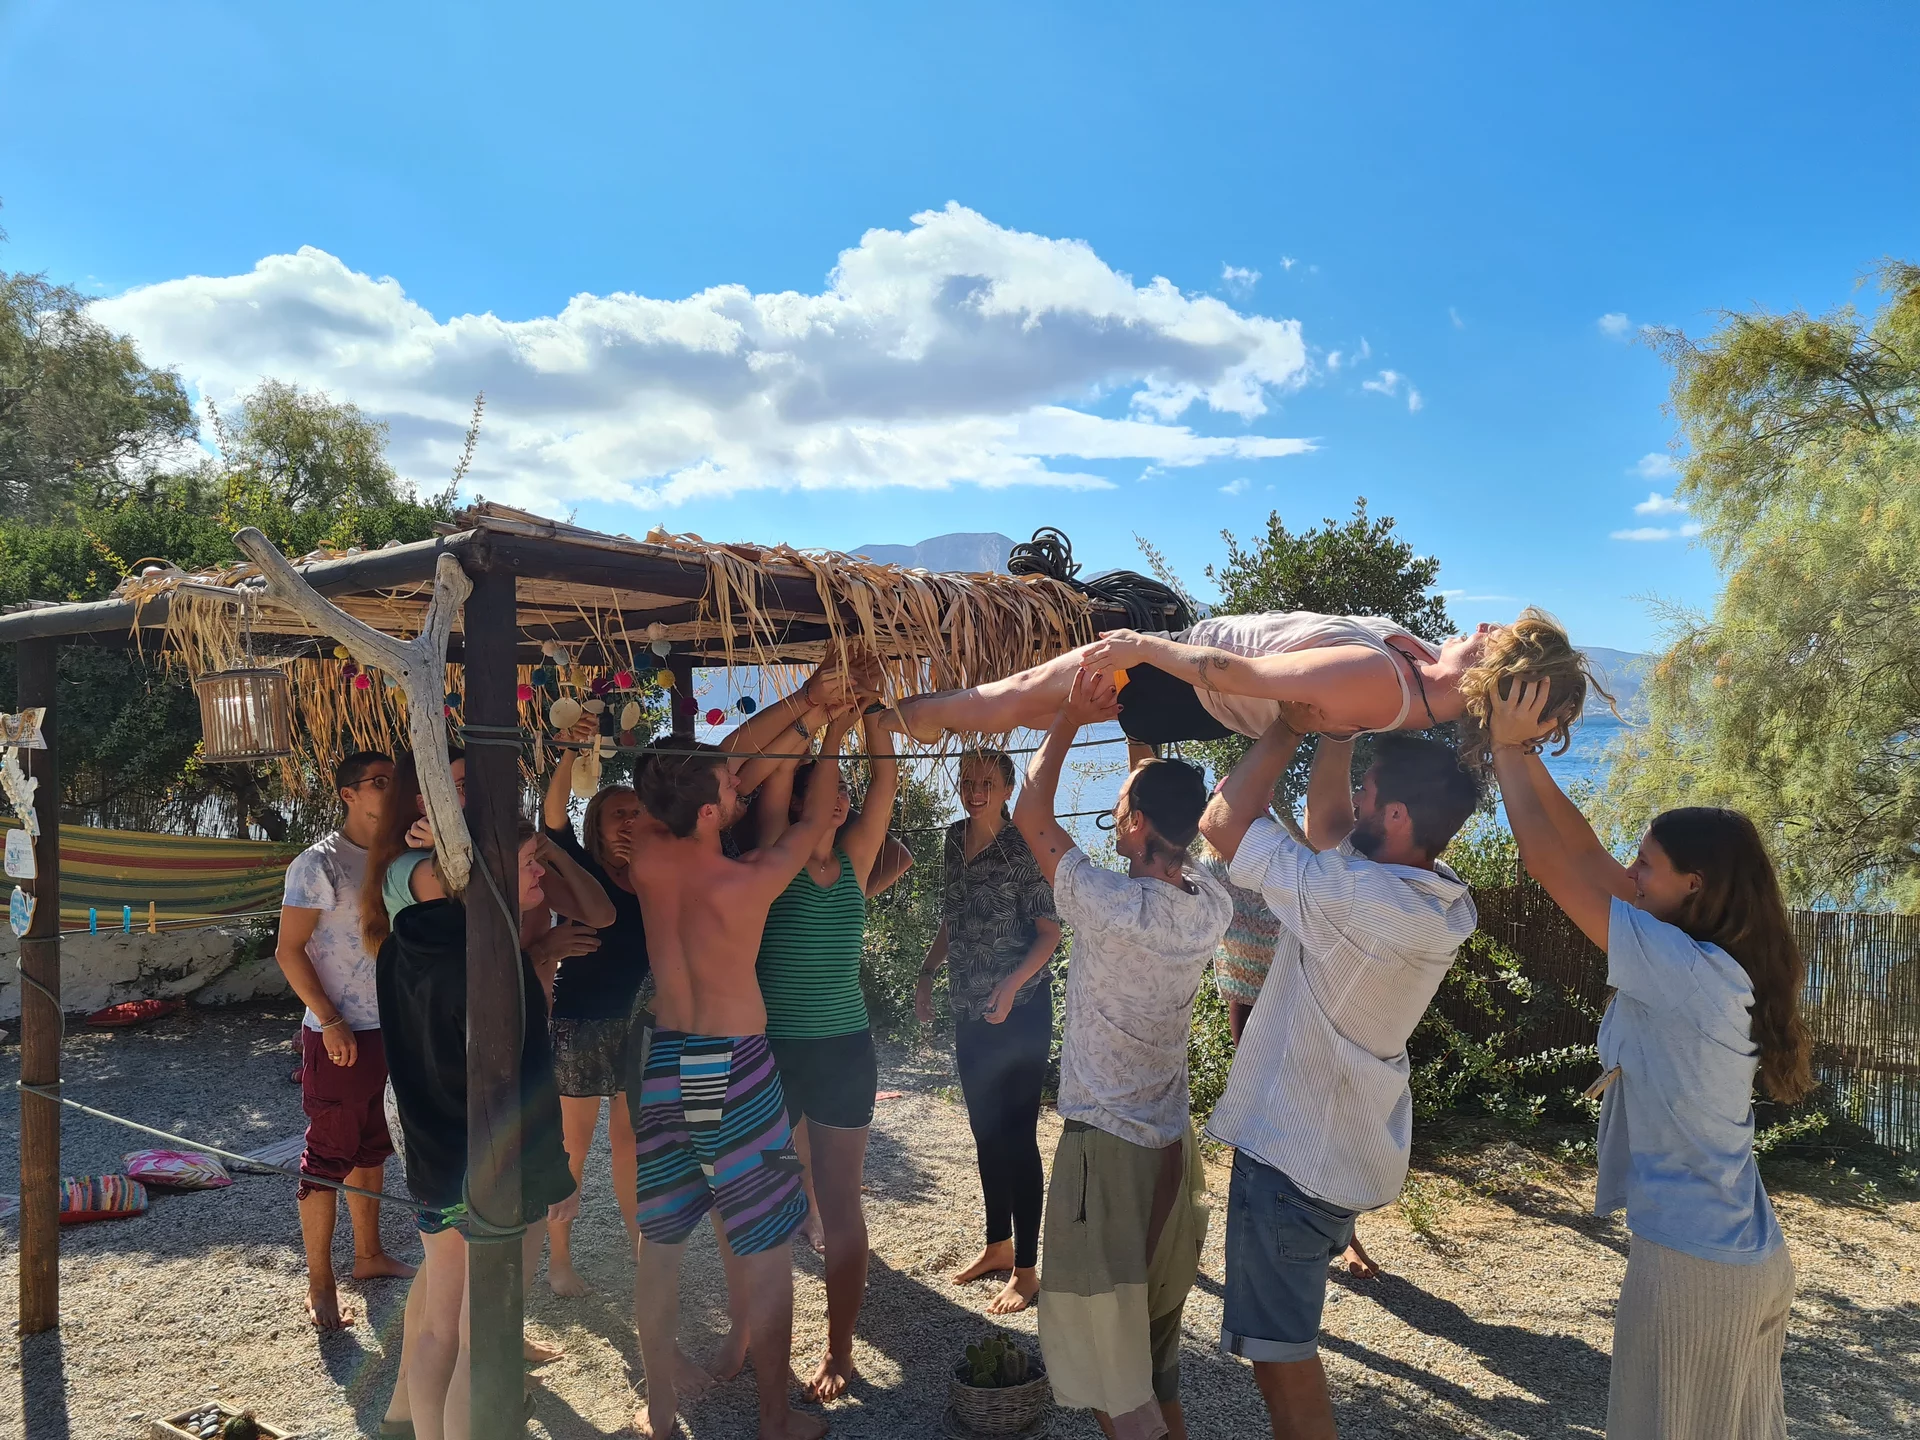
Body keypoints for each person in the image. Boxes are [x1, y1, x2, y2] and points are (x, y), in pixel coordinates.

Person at [1488, 681, 1811, 1440]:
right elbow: (1585, 853)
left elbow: (1549, 864)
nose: (1631, 873)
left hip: (1695, 1268)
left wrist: (1502, 748)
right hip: (1746, 1257)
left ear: (1692, 885)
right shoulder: (1713, 960)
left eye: (1646, 865)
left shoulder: (1680, 969)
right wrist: (1528, 756)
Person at [1198, 716, 1481, 1440]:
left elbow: (1221, 821)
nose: (1355, 798)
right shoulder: (1432, 894)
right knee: (1283, 1350)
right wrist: (1340, 726)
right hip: (1339, 1158)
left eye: (1368, 791)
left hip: (1290, 1160)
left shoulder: (1353, 897)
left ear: (1396, 815)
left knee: (1281, 1363)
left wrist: (1290, 724)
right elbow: (1331, 826)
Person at [625, 713, 858, 1440]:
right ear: (704, 811)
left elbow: (698, 778)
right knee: (766, 1249)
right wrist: (833, 732)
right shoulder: (748, 880)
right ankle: (773, 1419)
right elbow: (815, 818)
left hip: (668, 1062)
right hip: (734, 1069)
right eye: (729, 786)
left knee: (660, 1246)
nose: (741, 785)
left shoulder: (647, 857)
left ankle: (660, 1413)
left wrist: (807, 712)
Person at [1015, 669, 1232, 1440]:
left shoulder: (1108, 905)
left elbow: (1029, 811)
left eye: (1121, 805)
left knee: (1113, 1378)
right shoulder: (1210, 901)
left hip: (1105, 1154)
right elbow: (1162, 826)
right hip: (1171, 1150)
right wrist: (1135, 736)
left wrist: (1072, 719)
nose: (1112, 809)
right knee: (1152, 1361)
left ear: (1137, 824)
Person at [367, 751, 608, 1440]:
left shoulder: (407, 944)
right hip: (488, 1161)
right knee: (483, 1333)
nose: (539, 874)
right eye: (529, 862)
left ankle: (415, 1427)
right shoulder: (495, 964)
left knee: (439, 1321)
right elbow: (521, 1081)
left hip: (435, 1153)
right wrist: (553, 1172)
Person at [880, 609, 1598, 769]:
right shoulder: (1414, 666)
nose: (1482, 626)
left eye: (1496, 637)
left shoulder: (1382, 682)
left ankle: (891, 722)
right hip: (1186, 681)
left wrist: (1143, 647)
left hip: (1182, 682)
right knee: (1030, 708)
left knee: (1015, 695)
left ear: (1493, 673)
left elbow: (1240, 676)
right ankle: (917, 721)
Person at [748, 709, 898, 1401]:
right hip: (772, 1055)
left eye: (842, 790)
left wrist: (868, 720)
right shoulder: (774, 853)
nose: (840, 799)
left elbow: (885, 784)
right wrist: (830, 729)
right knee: (770, 1202)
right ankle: (751, 1336)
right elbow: (782, 790)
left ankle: (840, 1351)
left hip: (842, 1053)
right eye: (824, 789)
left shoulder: (857, 858)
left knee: (841, 1205)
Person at [915, 747, 1062, 1315]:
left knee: (1018, 1137)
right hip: (969, 1008)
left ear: (1006, 789)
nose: (974, 791)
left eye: (986, 782)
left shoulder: (1024, 845)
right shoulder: (953, 839)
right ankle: (997, 1245)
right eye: (967, 780)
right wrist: (928, 973)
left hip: (1020, 1011)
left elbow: (1050, 933)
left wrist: (1010, 984)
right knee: (984, 1132)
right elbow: (953, 917)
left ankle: (1027, 1269)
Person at [273, 749, 414, 1331]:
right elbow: (288, 950)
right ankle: (319, 1282)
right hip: (342, 1032)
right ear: (348, 794)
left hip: (396, 1027)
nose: (390, 789)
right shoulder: (318, 863)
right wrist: (329, 1019)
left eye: (395, 781)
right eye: (378, 781)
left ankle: (368, 1255)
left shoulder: (404, 855)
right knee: (328, 1154)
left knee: (374, 1146)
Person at [537, 732, 645, 1299]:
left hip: (640, 1025)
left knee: (631, 1145)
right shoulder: (581, 866)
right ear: (597, 826)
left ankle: (640, 1253)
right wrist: (567, 754)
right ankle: (559, 1263)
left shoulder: (659, 871)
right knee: (570, 1148)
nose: (629, 821)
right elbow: (553, 816)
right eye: (617, 814)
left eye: (637, 812)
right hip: (580, 1020)